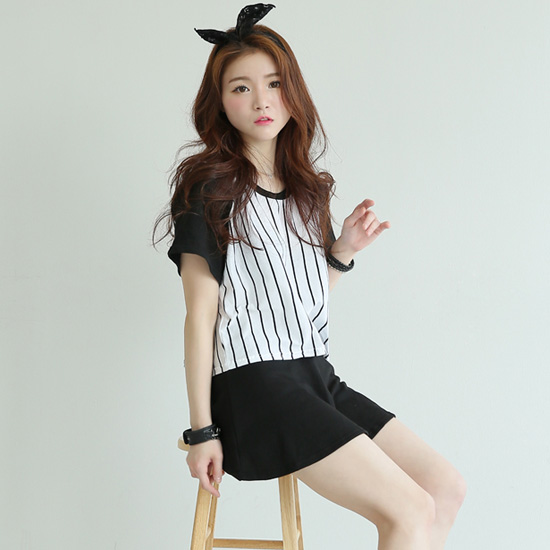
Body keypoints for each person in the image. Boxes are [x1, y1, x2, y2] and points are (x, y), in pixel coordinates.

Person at [153, 4, 466, 549]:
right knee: (409, 508)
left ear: (293, 91)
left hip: (315, 377)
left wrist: (341, 252)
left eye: (274, 84)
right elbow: (200, 317)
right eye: (241, 88)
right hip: (254, 387)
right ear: (220, 102)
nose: (261, 100)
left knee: (444, 488)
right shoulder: (209, 189)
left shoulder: (307, 192)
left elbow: (298, 302)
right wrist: (201, 429)